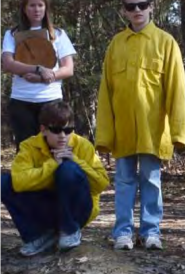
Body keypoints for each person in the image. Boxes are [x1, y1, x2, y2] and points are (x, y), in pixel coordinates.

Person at [95, 0, 185, 251]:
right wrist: (105, 134)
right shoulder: (116, 44)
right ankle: (122, 232)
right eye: (131, 6)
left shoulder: (165, 42)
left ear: (151, 6)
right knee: (123, 181)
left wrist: (178, 132)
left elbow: (177, 89)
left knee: (151, 179)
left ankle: (151, 232)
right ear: (123, 11)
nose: (137, 10)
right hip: (123, 128)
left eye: (142, 5)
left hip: (153, 127)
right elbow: (106, 92)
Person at [1, 101, 109, 256]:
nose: (63, 136)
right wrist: (52, 165)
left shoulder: (83, 145)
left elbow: (101, 185)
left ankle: (69, 230)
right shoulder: (29, 146)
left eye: (68, 130)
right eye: (56, 130)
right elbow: (18, 181)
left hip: (79, 210)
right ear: (43, 129)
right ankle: (37, 236)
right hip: (48, 207)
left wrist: (74, 160)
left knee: (68, 169)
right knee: (3, 183)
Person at [2, 0, 77, 146]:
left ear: (46, 8)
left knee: (53, 148)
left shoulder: (57, 34)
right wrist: (38, 68)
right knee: (26, 149)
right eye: (32, 5)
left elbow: (68, 68)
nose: (36, 10)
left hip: (51, 100)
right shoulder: (12, 34)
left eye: (40, 5)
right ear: (24, 8)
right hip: (22, 100)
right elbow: (8, 64)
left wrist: (45, 77)